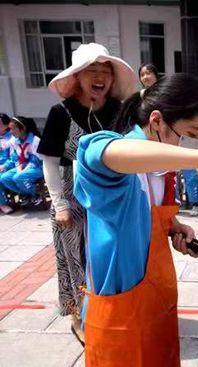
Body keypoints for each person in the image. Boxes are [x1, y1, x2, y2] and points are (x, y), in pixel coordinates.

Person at [74, 73, 198, 366]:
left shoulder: (162, 172)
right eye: (190, 135)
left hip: (158, 303)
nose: (195, 146)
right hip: (122, 311)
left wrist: (174, 227)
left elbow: (149, 219)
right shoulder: (120, 157)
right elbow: (97, 153)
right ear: (156, 121)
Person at [38, 43, 135, 343]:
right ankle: (78, 316)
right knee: (73, 259)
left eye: (105, 71)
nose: (100, 77)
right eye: (92, 71)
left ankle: (107, 309)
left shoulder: (118, 110)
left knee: (106, 256)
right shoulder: (60, 112)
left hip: (110, 194)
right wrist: (60, 203)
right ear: (78, 77)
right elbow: (50, 163)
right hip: (70, 193)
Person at [140, 63, 198, 216]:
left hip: (176, 141)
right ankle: (172, 206)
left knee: (189, 172)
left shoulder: (168, 93)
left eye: (149, 73)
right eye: (142, 74)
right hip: (158, 147)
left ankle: (194, 203)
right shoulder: (140, 97)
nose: (146, 77)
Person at [0, 116, 43, 214]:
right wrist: (19, 167)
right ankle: (26, 194)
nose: (10, 132)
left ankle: (35, 194)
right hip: (23, 165)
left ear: (22, 129)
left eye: (13, 128)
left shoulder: (35, 140)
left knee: (18, 177)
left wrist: (22, 169)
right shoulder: (15, 140)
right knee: (4, 178)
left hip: (37, 167)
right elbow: (15, 155)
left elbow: (36, 160)